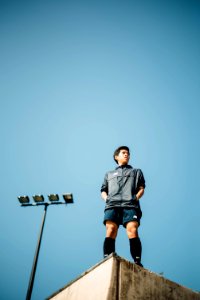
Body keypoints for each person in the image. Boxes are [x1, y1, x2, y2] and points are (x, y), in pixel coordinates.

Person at [101, 146, 145, 267]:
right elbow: (103, 190)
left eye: (128, 153)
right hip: (112, 205)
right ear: (116, 157)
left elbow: (141, 188)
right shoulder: (109, 174)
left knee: (132, 230)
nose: (127, 155)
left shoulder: (136, 172)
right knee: (110, 230)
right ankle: (107, 259)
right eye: (123, 153)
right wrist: (107, 199)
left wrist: (135, 198)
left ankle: (137, 261)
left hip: (130, 205)